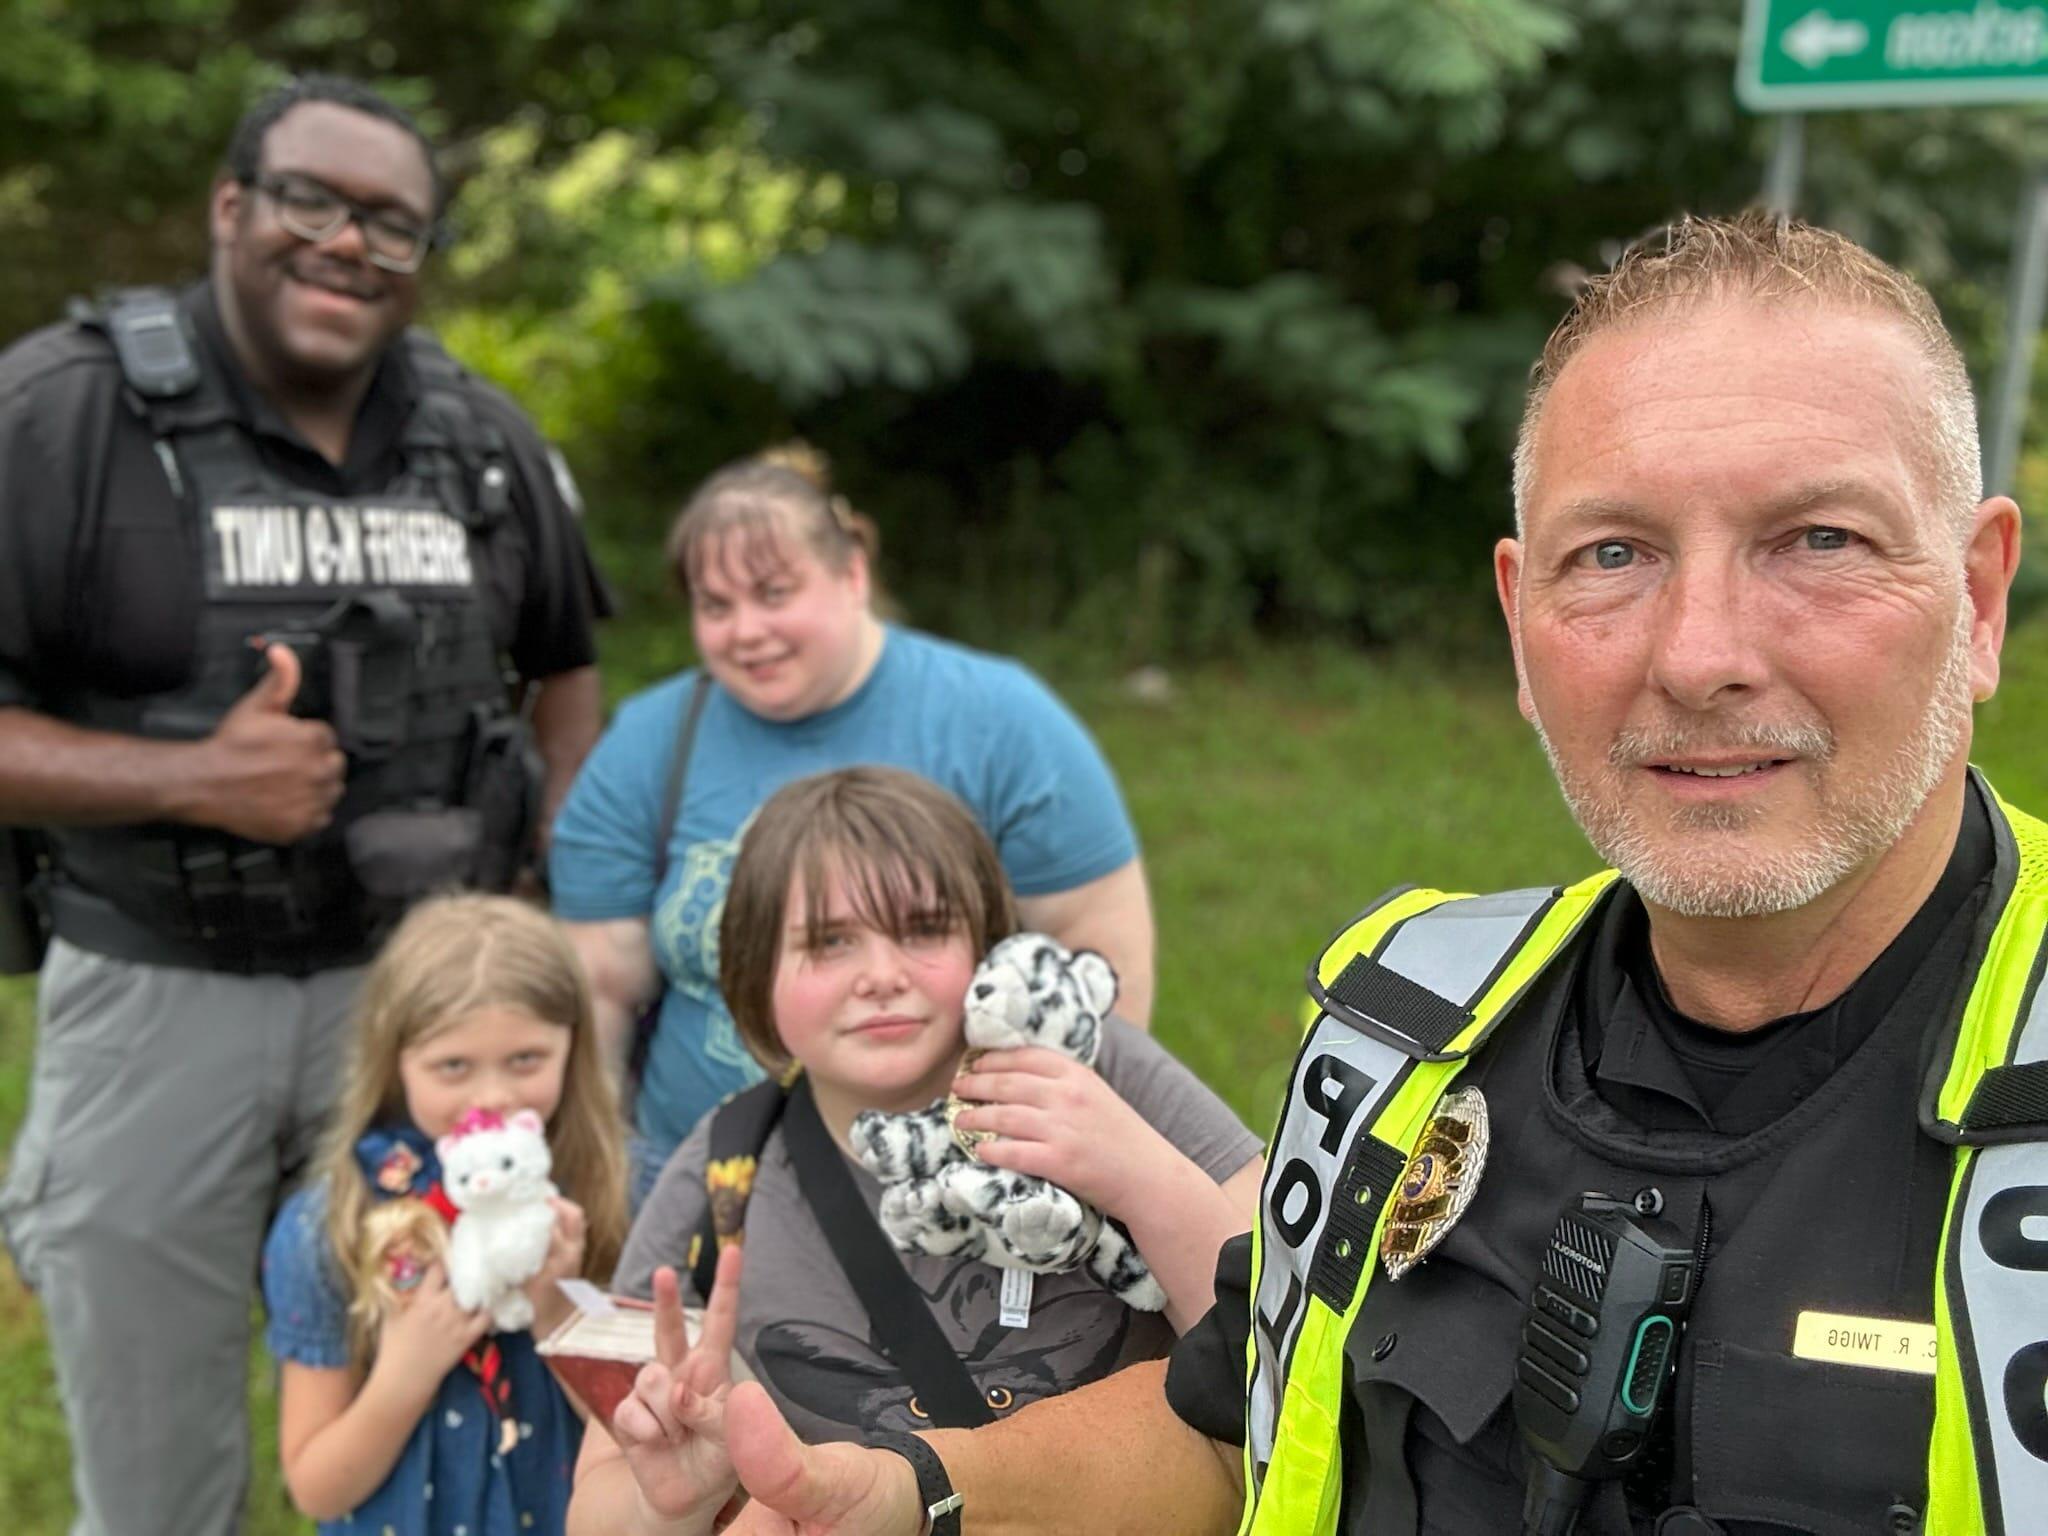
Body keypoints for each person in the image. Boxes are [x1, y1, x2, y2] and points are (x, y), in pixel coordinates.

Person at [665, 212, 2048, 1536]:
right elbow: (1236, 1428)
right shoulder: (1402, 1038)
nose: (1698, 656)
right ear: (1518, 621)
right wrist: (915, 1494)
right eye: (1613, 554)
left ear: (1978, 600)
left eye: (1818, 541)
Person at [0, 74, 606, 1535]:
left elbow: (567, 669)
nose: (347, 242)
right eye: (310, 202)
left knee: (462, 1444)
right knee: (159, 1487)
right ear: (231, 208)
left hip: (422, 1029)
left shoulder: (479, 437)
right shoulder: (61, 415)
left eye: (390, 223)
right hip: (158, 999)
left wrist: (539, 903)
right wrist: (190, 778)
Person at [564, 766, 1261, 1535]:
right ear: (756, 972)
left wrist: (1137, 1174)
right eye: (829, 942)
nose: (882, 976)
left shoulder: (1093, 1071)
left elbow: (1296, 1338)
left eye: (923, 929)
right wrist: (670, 1504)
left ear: (986, 944)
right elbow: (596, 1504)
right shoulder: (725, 1166)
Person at [550, 448, 1154, 1202]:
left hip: (959, 1192)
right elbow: (597, 991)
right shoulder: (647, 744)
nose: (746, 630)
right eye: (716, 606)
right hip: (700, 1185)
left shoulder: (1001, 722)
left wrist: (1063, 1168)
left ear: (852, 575)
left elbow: (1101, 962)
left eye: (774, 593)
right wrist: (599, 1185)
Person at [260, 892, 628, 1535]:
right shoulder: (328, 1228)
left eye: (526, 1059)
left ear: (573, 1047)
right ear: (394, 1063)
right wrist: (406, 1371)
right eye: (453, 1066)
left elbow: (650, 1445)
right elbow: (317, 1487)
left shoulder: (620, 1192)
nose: (492, 1096)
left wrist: (560, 1317)